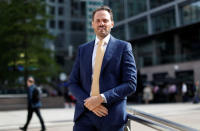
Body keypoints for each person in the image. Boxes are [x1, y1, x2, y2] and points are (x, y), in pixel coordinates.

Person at [68, 6, 137, 131]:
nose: (101, 24)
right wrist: (89, 103)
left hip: (111, 117)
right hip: (84, 116)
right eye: (98, 21)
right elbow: (73, 82)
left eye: (105, 20)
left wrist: (100, 98)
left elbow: (131, 84)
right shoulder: (82, 50)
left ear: (112, 24)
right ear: (93, 24)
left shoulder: (123, 47)